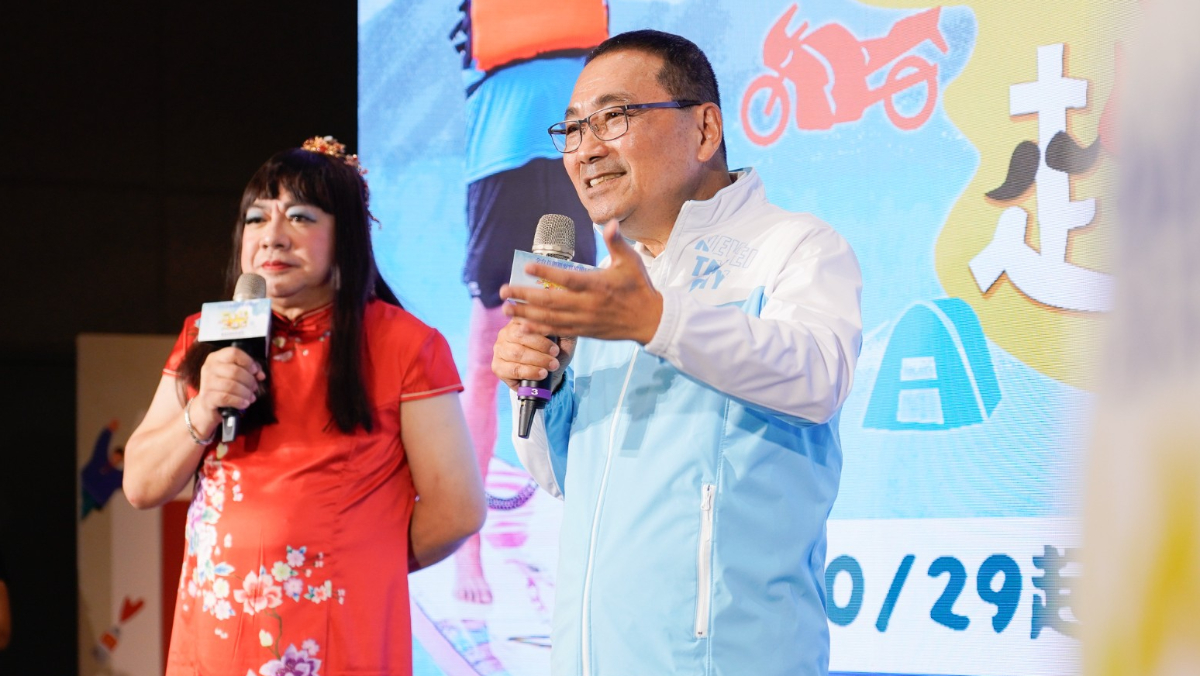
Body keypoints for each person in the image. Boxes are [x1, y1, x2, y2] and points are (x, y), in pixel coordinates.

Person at [492, 30, 863, 676]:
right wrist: (542, 387)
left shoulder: (794, 245)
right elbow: (562, 478)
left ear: (705, 129)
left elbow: (819, 376)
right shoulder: (606, 286)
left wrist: (658, 321)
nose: (587, 149)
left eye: (613, 117)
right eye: (573, 129)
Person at [123, 137, 486, 675]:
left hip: (338, 632)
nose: (272, 235)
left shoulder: (404, 344)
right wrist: (203, 410)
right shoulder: (206, 335)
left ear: (347, 234)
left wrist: (355, 563)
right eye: (256, 219)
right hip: (216, 631)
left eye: (299, 217)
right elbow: (141, 485)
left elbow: (457, 509)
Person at [448, 0, 603, 610]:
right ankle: (468, 544)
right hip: (501, 152)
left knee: (574, 351)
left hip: (571, 148)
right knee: (487, 357)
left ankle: (576, 538)